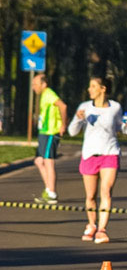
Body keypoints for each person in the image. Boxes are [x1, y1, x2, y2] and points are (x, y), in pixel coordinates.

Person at [68, 77, 124, 244]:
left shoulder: (115, 107)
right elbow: (72, 132)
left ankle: (101, 229)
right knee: (90, 195)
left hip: (110, 153)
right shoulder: (84, 107)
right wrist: (78, 118)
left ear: (103, 88)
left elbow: (121, 128)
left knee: (105, 191)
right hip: (89, 154)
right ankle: (91, 224)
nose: (89, 89)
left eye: (93, 86)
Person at [31, 74, 67, 204]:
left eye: (35, 84)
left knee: (48, 161)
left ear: (44, 84)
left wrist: (63, 125)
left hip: (51, 132)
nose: (33, 87)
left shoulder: (49, 94)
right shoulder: (44, 96)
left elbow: (63, 106)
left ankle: (52, 193)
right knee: (39, 161)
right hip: (44, 132)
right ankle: (48, 189)